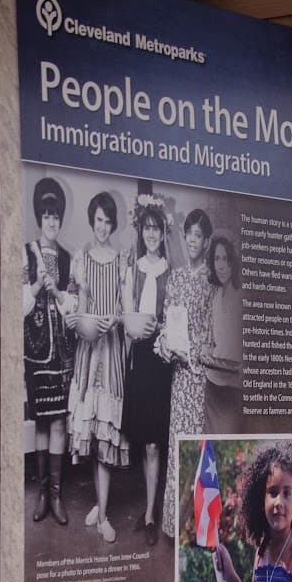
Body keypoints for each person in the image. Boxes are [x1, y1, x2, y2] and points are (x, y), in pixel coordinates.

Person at [67, 190, 128, 542]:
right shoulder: (82, 259)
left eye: (108, 221)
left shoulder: (120, 260)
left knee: (106, 430)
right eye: (98, 220)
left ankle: (103, 514)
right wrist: (82, 322)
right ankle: (100, 504)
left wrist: (115, 320)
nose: (103, 226)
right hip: (90, 352)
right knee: (92, 432)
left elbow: (125, 308)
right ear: (92, 221)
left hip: (112, 349)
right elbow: (80, 309)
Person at [157, 208, 214, 538]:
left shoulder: (211, 280)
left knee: (199, 449)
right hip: (179, 380)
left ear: (206, 241)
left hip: (200, 377)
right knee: (177, 446)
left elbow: (210, 334)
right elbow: (167, 322)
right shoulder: (176, 277)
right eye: (188, 234)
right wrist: (165, 344)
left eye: (198, 235)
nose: (192, 240)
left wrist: (190, 354)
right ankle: (175, 526)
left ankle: (198, 529)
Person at [23, 177, 77, 525]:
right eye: (46, 215)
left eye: (56, 215)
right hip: (35, 350)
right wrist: (35, 286)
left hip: (62, 354)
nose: (51, 221)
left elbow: (72, 305)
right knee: (41, 421)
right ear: (39, 218)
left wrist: (57, 292)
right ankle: (42, 495)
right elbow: (18, 305)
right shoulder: (27, 253)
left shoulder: (68, 259)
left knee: (59, 421)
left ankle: (56, 496)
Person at [120, 197, 171, 545]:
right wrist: (136, 327)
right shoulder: (132, 269)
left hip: (160, 359)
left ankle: (151, 514)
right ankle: (150, 507)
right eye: (147, 228)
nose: (151, 234)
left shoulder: (170, 270)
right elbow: (127, 317)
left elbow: (176, 317)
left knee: (154, 443)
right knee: (144, 441)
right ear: (141, 232)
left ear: (163, 233)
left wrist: (161, 328)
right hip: (139, 356)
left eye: (156, 229)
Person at [213, 439, 292, 582]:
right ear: (261, 500)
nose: (279, 502)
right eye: (273, 493)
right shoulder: (262, 551)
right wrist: (229, 571)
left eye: (287, 494)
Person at [203, 233, 243, 433]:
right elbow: (216, 340)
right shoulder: (216, 295)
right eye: (217, 258)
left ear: (233, 262)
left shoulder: (242, 295)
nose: (221, 266)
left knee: (228, 437)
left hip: (234, 384)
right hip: (213, 382)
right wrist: (206, 352)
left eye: (226, 259)